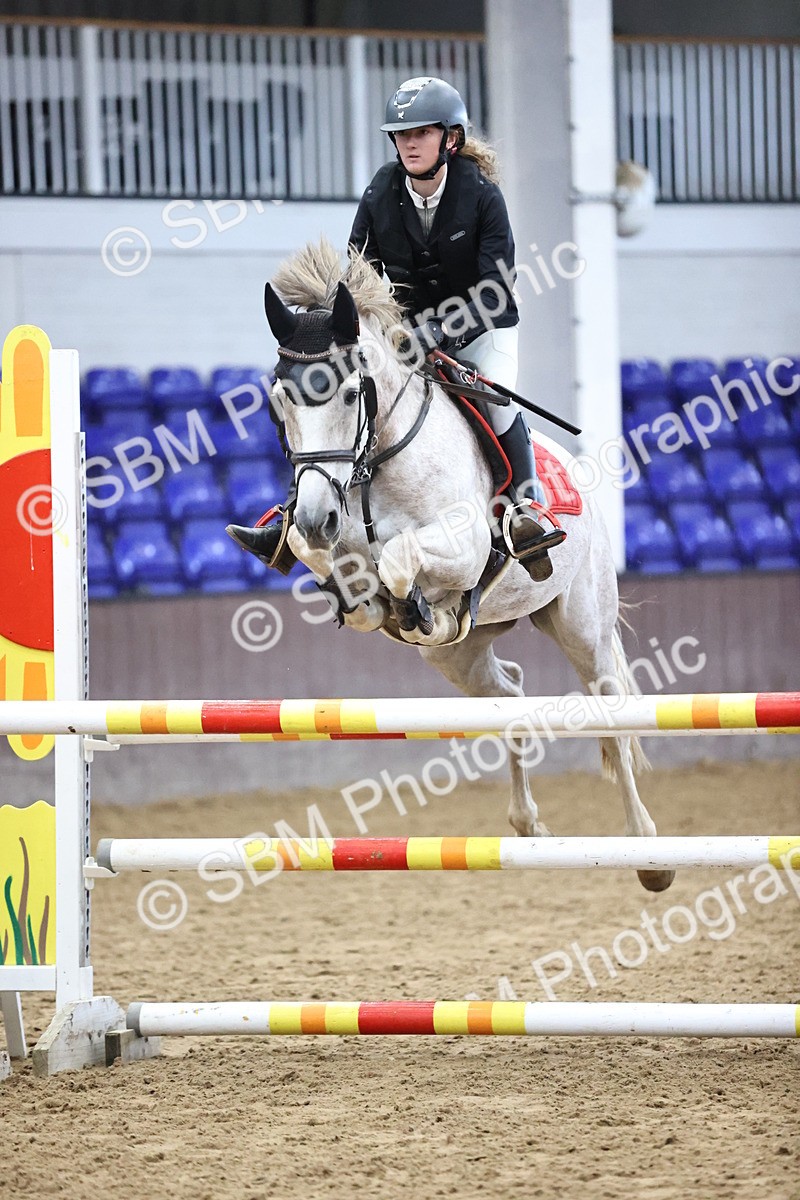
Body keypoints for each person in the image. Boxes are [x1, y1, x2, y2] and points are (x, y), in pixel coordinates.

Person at [229, 75, 565, 576]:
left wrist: (440, 332)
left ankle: (525, 508)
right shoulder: (380, 192)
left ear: (450, 138)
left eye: (422, 132)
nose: (409, 143)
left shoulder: (482, 197)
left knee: (497, 401)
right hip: (405, 332)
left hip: (482, 330)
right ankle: (294, 515)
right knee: (337, 396)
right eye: (402, 134)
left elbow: (495, 292)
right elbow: (358, 276)